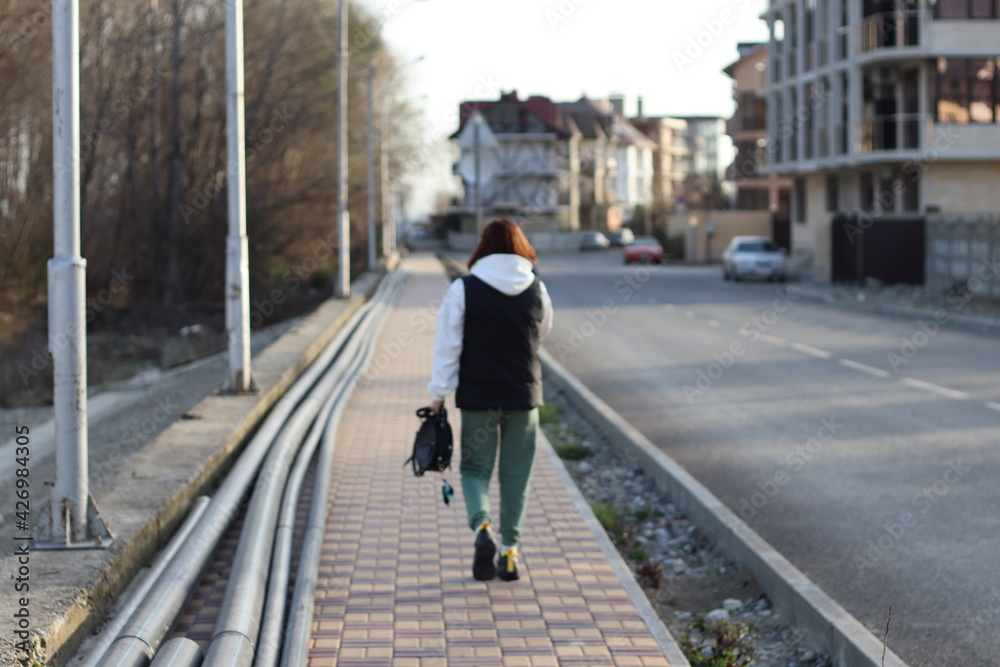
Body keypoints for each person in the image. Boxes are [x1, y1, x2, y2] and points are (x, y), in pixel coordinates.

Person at [427, 218, 554, 581]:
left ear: (482, 246)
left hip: (478, 394)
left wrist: (437, 395)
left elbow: (447, 347)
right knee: (516, 475)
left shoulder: (464, 289)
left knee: (474, 470)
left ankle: (483, 529)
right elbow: (543, 330)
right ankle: (510, 553)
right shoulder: (537, 288)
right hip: (523, 395)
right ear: (521, 246)